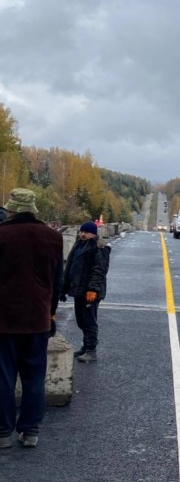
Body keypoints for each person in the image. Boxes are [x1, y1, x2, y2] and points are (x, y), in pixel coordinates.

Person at [0, 188, 63, 449]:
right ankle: (31, 430)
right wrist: (50, 312)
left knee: (3, 376)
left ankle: (3, 432)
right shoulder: (52, 237)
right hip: (38, 316)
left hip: (4, 318)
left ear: (11, 209)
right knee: (34, 376)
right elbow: (57, 280)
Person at [61, 221, 110, 363]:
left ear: (94, 233)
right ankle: (85, 346)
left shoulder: (99, 247)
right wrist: (64, 289)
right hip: (79, 290)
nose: (82, 234)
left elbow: (99, 270)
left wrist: (93, 289)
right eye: (81, 231)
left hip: (90, 292)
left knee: (89, 321)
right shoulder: (78, 244)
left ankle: (91, 350)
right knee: (81, 320)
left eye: (86, 232)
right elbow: (70, 267)